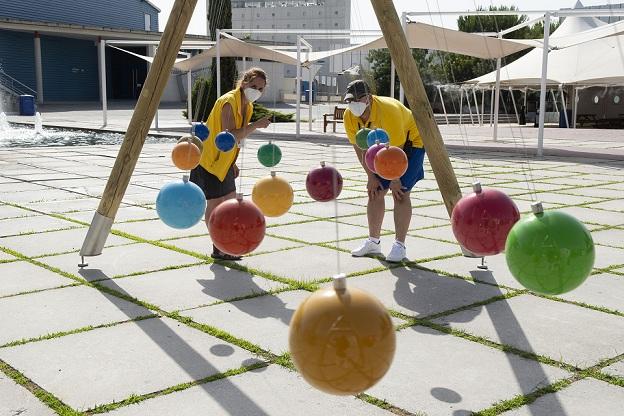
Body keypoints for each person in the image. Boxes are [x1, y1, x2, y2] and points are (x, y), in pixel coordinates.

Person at [190, 67, 271, 260]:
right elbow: (229, 136)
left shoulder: (247, 106)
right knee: (216, 207)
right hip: (210, 161)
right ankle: (218, 247)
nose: (256, 91)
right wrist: (256, 126)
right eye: (253, 86)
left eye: (260, 89)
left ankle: (225, 244)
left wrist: (232, 162)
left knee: (231, 205)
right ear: (243, 83)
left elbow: (236, 140)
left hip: (224, 163)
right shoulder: (228, 102)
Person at [343, 79, 426, 262]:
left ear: (370, 98)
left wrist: (395, 180)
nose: (355, 104)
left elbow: (396, 152)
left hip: (410, 145)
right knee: (375, 192)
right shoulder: (349, 116)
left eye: (360, 99)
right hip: (380, 148)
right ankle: (373, 242)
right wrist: (370, 176)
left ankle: (399, 246)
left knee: (401, 192)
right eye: (351, 100)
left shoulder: (388, 112)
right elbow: (360, 147)